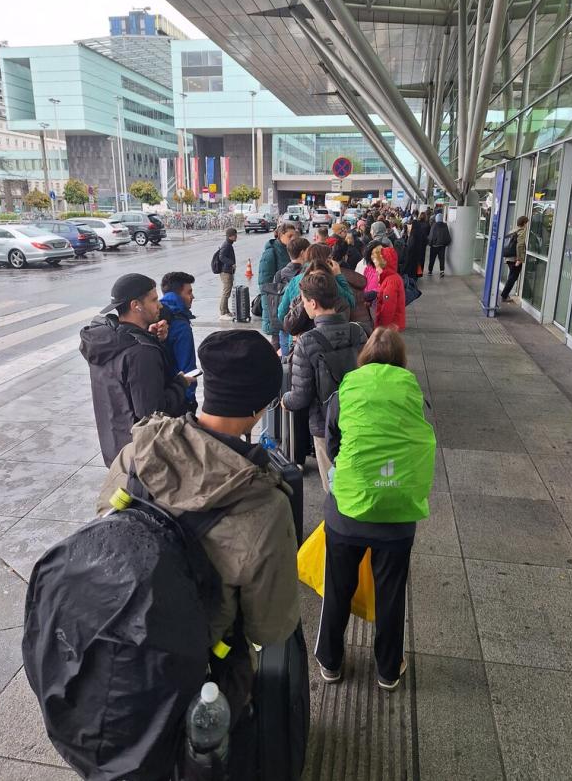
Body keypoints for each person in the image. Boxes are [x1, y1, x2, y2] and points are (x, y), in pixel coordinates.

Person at [96, 330, 300, 736]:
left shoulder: (140, 449)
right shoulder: (265, 507)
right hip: (197, 678)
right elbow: (270, 627)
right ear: (262, 408)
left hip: (113, 647)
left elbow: (103, 521)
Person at [315, 327, 436, 690]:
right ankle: (387, 669)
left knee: (337, 588)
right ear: (401, 361)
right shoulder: (413, 393)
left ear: (364, 355)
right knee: (392, 592)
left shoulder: (346, 390)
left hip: (348, 512)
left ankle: (331, 662)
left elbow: (333, 444)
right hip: (398, 514)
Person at [80, 274, 195, 466]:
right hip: (144, 458)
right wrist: (181, 384)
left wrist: (152, 340)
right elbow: (151, 413)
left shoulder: (108, 338)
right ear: (136, 305)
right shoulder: (141, 352)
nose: (160, 305)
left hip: (116, 447)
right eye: (154, 299)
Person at [282, 271, 367, 493]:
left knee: (333, 487)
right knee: (359, 477)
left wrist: (285, 401)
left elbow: (301, 396)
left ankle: (337, 523)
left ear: (312, 303)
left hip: (324, 424)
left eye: (303, 300)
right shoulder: (357, 332)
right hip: (358, 415)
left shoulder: (307, 342)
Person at [277, 243, 355, 325]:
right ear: (326, 260)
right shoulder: (328, 281)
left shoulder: (295, 280)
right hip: (325, 330)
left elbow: (281, 313)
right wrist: (339, 276)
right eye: (330, 258)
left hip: (298, 334)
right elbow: (350, 302)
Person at [160, 271, 197, 405]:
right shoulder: (180, 324)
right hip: (179, 395)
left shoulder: (157, 314)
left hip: (161, 393)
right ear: (177, 295)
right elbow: (188, 368)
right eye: (189, 292)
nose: (192, 296)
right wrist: (190, 400)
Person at [259, 222, 296, 349]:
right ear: (280, 235)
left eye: (294, 236)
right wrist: (270, 313)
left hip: (287, 303)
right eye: (290, 236)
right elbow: (264, 285)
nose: (293, 239)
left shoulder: (289, 250)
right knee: (277, 341)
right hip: (275, 303)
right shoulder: (271, 253)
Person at [276, 236, 310, 356]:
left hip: (288, 326)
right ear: (302, 253)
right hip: (302, 332)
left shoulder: (280, 273)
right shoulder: (304, 276)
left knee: (287, 362)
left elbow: (280, 310)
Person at [332, 241, 373, 336]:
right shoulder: (356, 275)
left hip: (345, 327)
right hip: (363, 323)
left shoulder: (333, 280)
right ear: (345, 256)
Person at [372, 246, 406, 330]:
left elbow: (388, 307)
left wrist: (382, 328)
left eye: (376, 266)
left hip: (389, 328)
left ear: (383, 265)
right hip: (393, 325)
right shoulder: (392, 278)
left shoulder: (391, 282)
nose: (375, 269)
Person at [501, 216, 529, 301]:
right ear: (524, 223)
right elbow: (520, 245)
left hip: (509, 257)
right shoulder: (521, 231)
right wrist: (519, 259)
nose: (528, 225)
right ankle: (504, 295)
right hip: (515, 258)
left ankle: (505, 295)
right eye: (527, 222)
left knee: (511, 276)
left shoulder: (513, 230)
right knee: (513, 277)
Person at [218, 227, 238, 320]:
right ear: (230, 236)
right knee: (226, 292)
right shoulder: (226, 245)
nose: (236, 237)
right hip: (226, 272)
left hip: (228, 271)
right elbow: (221, 257)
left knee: (228, 291)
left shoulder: (229, 244)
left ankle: (226, 311)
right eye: (235, 235)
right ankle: (222, 312)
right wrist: (231, 263)